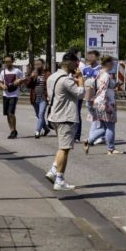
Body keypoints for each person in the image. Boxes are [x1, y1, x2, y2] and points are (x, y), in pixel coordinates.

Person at [45, 52, 85, 190]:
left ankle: (53, 170)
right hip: (65, 117)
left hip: (55, 116)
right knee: (64, 148)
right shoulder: (66, 80)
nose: (78, 65)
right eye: (76, 63)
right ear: (71, 64)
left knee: (62, 146)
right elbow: (80, 94)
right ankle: (59, 180)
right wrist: (80, 79)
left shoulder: (52, 77)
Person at [83, 56, 121, 155]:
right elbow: (103, 90)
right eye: (112, 63)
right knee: (110, 127)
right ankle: (111, 149)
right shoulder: (106, 76)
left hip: (97, 102)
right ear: (108, 64)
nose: (113, 65)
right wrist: (104, 103)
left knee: (104, 128)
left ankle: (89, 140)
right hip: (106, 103)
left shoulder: (98, 74)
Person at [0, 55, 25, 139]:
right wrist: (2, 86)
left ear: (12, 61)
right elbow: (0, 82)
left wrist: (19, 80)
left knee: (11, 113)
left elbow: (24, 79)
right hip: (5, 94)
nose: (7, 63)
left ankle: (14, 130)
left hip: (14, 94)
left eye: (9, 61)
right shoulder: (3, 72)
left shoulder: (17, 71)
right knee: (7, 114)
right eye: (6, 62)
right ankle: (12, 130)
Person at [27, 58, 52, 138]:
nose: (37, 66)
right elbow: (28, 85)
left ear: (43, 65)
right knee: (38, 115)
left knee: (41, 114)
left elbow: (50, 85)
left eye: (39, 64)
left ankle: (37, 131)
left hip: (43, 98)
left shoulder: (47, 74)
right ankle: (46, 129)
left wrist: (49, 96)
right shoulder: (33, 73)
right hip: (34, 98)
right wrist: (31, 77)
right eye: (36, 64)